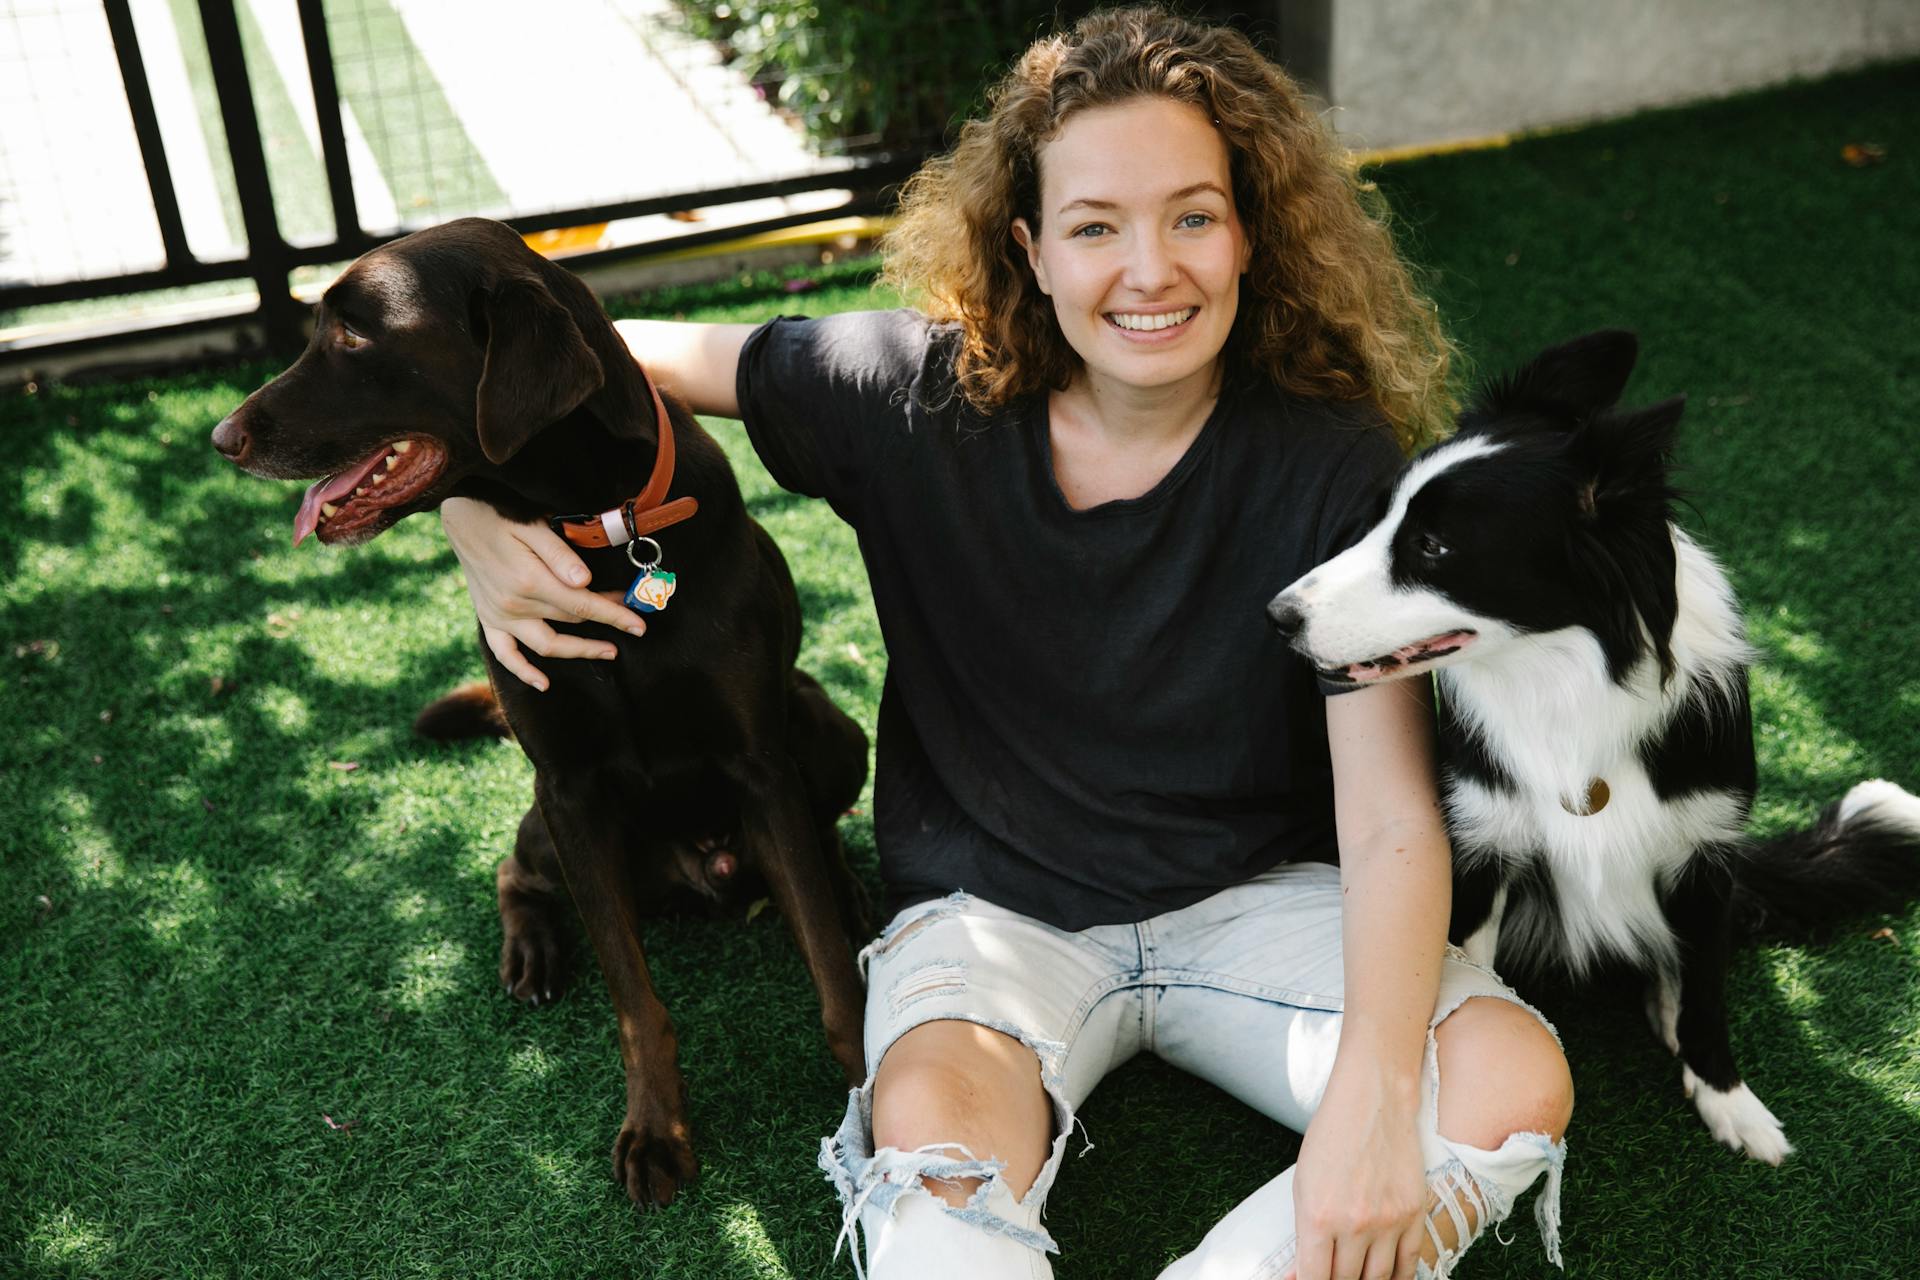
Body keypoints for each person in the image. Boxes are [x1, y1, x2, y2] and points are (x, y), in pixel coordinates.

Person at [441, 8, 1574, 1278]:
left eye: (1194, 215)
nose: (1151, 269)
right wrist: (469, 508)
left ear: (1252, 232)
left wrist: (1371, 1099)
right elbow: (601, 351)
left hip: (1257, 903)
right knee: (931, 1170)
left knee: (1508, 1078)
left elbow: (1387, 822)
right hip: (993, 925)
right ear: (1028, 249)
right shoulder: (911, 396)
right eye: (1096, 225)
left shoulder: (1335, 462)